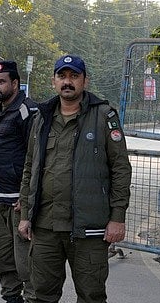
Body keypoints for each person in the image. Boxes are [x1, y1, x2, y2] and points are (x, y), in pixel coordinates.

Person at [17, 55, 132, 303]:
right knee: (40, 296)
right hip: (46, 226)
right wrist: (26, 214)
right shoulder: (42, 117)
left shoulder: (103, 116)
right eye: (62, 76)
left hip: (89, 229)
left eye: (74, 76)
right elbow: (30, 167)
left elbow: (121, 169)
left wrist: (117, 218)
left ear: (84, 81)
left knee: (91, 296)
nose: (67, 82)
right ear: (54, 81)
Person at [0, 61, 38, 303]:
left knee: (27, 265)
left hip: (18, 203)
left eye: (1, 81)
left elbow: (36, 159)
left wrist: (27, 199)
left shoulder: (28, 111)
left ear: (15, 83)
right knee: (3, 261)